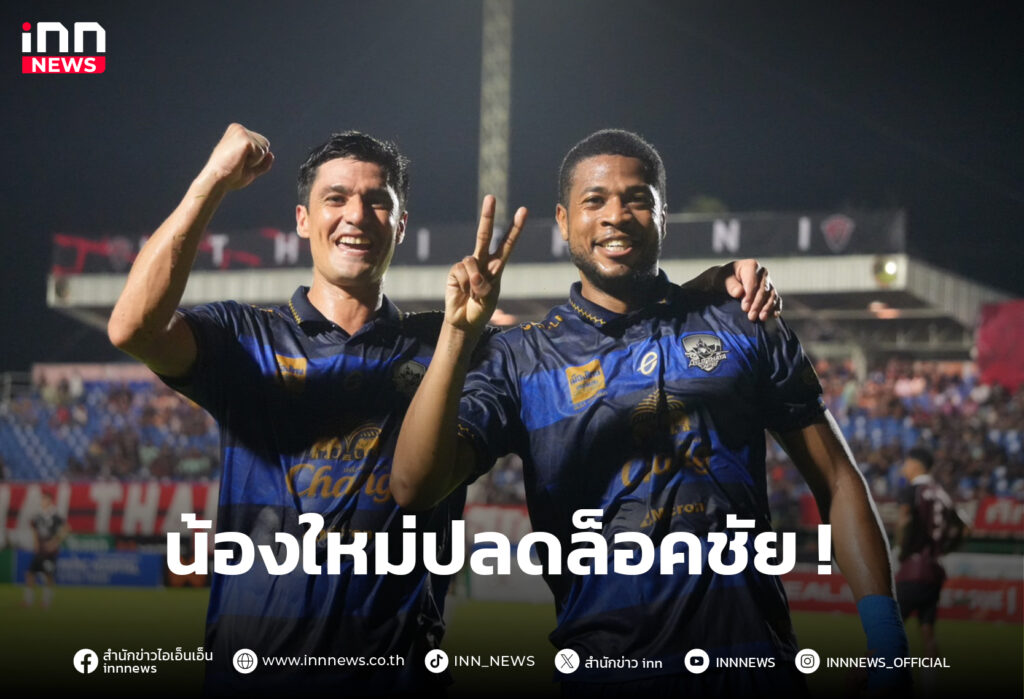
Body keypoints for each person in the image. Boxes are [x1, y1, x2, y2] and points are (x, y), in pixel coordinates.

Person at [107, 123, 779, 694]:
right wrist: (213, 181)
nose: (356, 215)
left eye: (378, 201)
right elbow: (133, 326)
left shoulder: (458, 344)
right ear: (303, 220)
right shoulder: (246, 339)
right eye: (335, 198)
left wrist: (709, 290)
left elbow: (606, 323)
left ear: (401, 223)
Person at [392, 129, 912, 695]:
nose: (616, 215)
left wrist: (887, 642)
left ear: (663, 216)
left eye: (637, 199)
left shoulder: (741, 322)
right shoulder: (521, 360)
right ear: (563, 221)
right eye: (595, 200)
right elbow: (415, 487)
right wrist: (457, 335)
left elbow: (836, 478)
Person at [895, 447, 966, 667]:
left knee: (887, 628)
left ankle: (870, 677)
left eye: (906, 463)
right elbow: (965, 527)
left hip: (913, 569)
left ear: (916, 465)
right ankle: (930, 681)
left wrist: (901, 550)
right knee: (927, 630)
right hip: (934, 571)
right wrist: (945, 549)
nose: (903, 468)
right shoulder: (941, 492)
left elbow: (904, 520)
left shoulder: (912, 490)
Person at [23, 491, 68, 609]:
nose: (42, 502)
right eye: (42, 499)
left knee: (48, 575)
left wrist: (54, 542)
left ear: (49, 501)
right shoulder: (37, 515)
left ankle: (46, 601)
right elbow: (34, 529)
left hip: (50, 551)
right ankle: (28, 601)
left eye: (44, 499)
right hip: (40, 550)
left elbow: (66, 529)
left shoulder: (56, 516)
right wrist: (35, 542)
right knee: (30, 574)